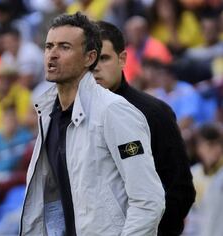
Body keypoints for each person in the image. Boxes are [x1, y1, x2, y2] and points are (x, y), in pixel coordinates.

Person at [20, 13, 165, 235]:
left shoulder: (113, 111)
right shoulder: (47, 115)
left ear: (90, 58)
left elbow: (148, 201)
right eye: (49, 46)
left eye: (64, 47)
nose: (52, 54)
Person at [92, 21, 195, 236]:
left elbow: (180, 190)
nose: (96, 68)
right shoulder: (72, 117)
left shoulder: (155, 112)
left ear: (122, 59)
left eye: (104, 58)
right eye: (90, 60)